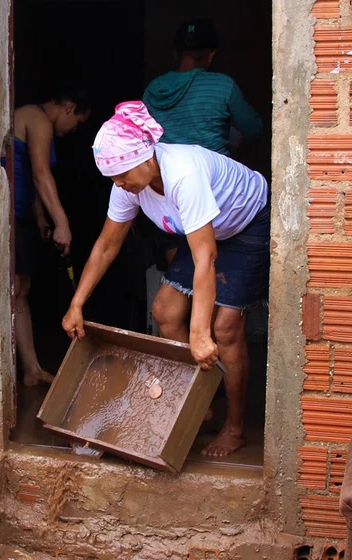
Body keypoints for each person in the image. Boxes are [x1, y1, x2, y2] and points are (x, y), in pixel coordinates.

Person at [62, 102, 268, 457]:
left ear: (146, 157)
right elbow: (108, 244)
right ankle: (202, 399)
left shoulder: (183, 174)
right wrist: (76, 303)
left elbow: (206, 257)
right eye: (112, 177)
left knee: (225, 328)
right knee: (165, 311)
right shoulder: (128, 185)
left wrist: (200, 333)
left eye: (122, 174)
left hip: (248, 223)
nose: (118, 183)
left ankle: (234, 428)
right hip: (206, 230)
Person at [8, 87, 92, 386]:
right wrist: (62, 222)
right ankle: (10, 377)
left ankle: (31, 370)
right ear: (69, 108)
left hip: (18, 213)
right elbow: (40, 174)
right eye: (78, 122)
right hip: (5, 214)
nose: (73, 130)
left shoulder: (34, 121)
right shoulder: (38, 118)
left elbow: (25, 172)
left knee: (21, 288)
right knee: (14, 288)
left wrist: (41, 216)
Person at [143, 18, 263, 157]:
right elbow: (253, 130)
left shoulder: (153, 88)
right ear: (211, 55)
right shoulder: (223, 85)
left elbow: (143, 138)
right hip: (212, 174)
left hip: (166, 173)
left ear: (175, 54)